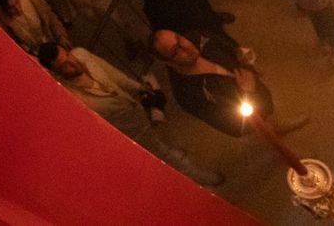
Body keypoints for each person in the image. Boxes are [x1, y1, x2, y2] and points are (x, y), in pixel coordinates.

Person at [38, 42, 224, 187]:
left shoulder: (81, 54)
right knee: (161, 153)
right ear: (57, 72)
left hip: (134, 110)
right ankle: (196, 175)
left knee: (157, 144)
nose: (73, 62)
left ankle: (167, 154)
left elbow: (114, 74)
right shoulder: (71, 95)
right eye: (64, 65)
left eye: (68, 55)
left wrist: (139, 88)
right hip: (125, 130)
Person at [152, 30, 309, 138]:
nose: (186, 45)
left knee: (269, 111)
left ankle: (276, 125)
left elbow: (226, 45)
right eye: (175, 50)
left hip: (258, 92)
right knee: (267, 133)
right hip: (250, 118)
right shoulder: (186, 93)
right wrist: (248, 93)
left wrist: (247, 62)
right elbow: (226, 122)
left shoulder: (198, 38)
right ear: (168, 63)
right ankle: (284, 149)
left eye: (179, 38)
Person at [1, 0, 69, 54]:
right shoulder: (6, 21)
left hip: (53, 41)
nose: (17, 9)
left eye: (17, 2)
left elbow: (50, 16)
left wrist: (61, 35)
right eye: (11, 8)